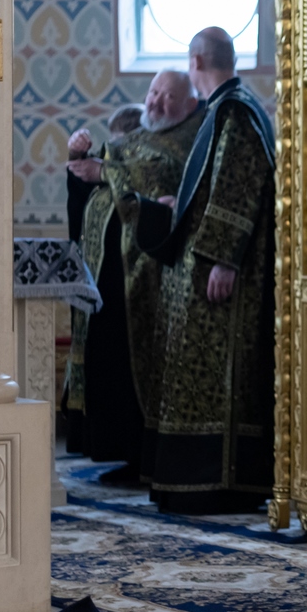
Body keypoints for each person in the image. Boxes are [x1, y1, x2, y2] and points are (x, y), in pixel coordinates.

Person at [133, 27, 277, 514]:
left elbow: (237, 187)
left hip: (219, 273)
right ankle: (187, 479)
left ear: (196, 61)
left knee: (216, 375)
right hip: (206, 263)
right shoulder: (226, 108)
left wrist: (224, 258)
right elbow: (215, 185)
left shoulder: (235, 110)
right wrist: (183, 207)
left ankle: (215, 481)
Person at [64, 72, 204, 480]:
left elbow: (161, 177)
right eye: (153, 92)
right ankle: (117, 450)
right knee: (108, 361)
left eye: (168, 96)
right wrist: (79, 161)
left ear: (189, 105)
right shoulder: (136, 138)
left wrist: (106, 171)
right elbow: (102, 176)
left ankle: (140, 456)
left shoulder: (190, 140)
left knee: (134, 365)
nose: (156, 102)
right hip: (106, 275)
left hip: (145, 279)